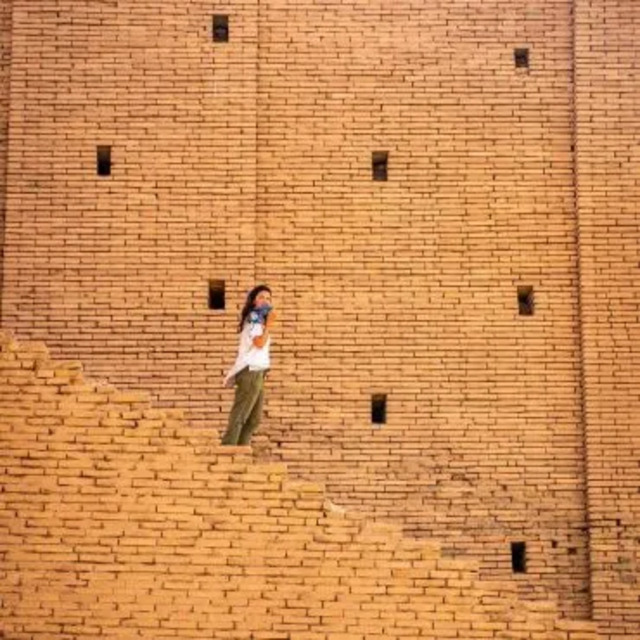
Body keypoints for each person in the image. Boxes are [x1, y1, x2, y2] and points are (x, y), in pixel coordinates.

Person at [221, 284, 276, 446]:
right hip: (250, 371)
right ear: (253, 302)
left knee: (254, 420)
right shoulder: (254, 318)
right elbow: (259, 343)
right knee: (241, 415)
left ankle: (241, 453)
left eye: (268, 298)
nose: (265, 301)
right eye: (261, 297)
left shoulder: (260, 320)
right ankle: (228, 452)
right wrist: (270, 324)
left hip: (258, 372)